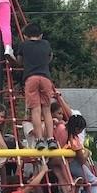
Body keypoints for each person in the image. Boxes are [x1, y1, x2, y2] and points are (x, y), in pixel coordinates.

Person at [16, 22, 57, 151]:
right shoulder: (46, 44)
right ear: (41, 35)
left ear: (25, 36)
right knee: (47, 110)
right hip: (45, 77)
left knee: (35, 110)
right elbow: (50, 57)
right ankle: (50, 139)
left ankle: (39, 139)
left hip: (31, 77)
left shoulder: (24, 45)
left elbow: (19, 61)